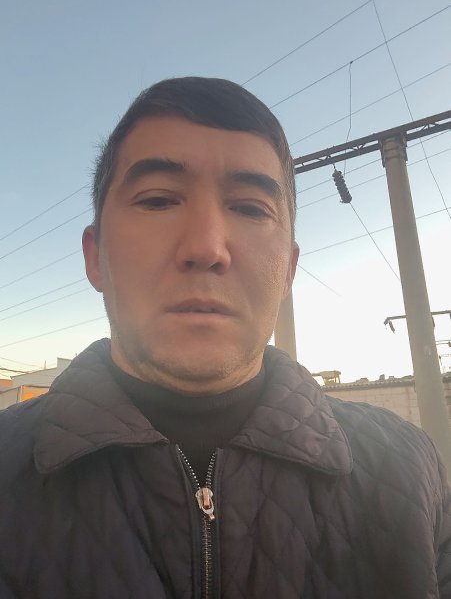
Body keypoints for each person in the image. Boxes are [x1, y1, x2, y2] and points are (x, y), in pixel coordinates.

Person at [0, 77, 450, 599]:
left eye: (251, 208)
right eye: (158, 200)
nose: (207, 248)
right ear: (94, 255)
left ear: (288, 271)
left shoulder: (408, 469)